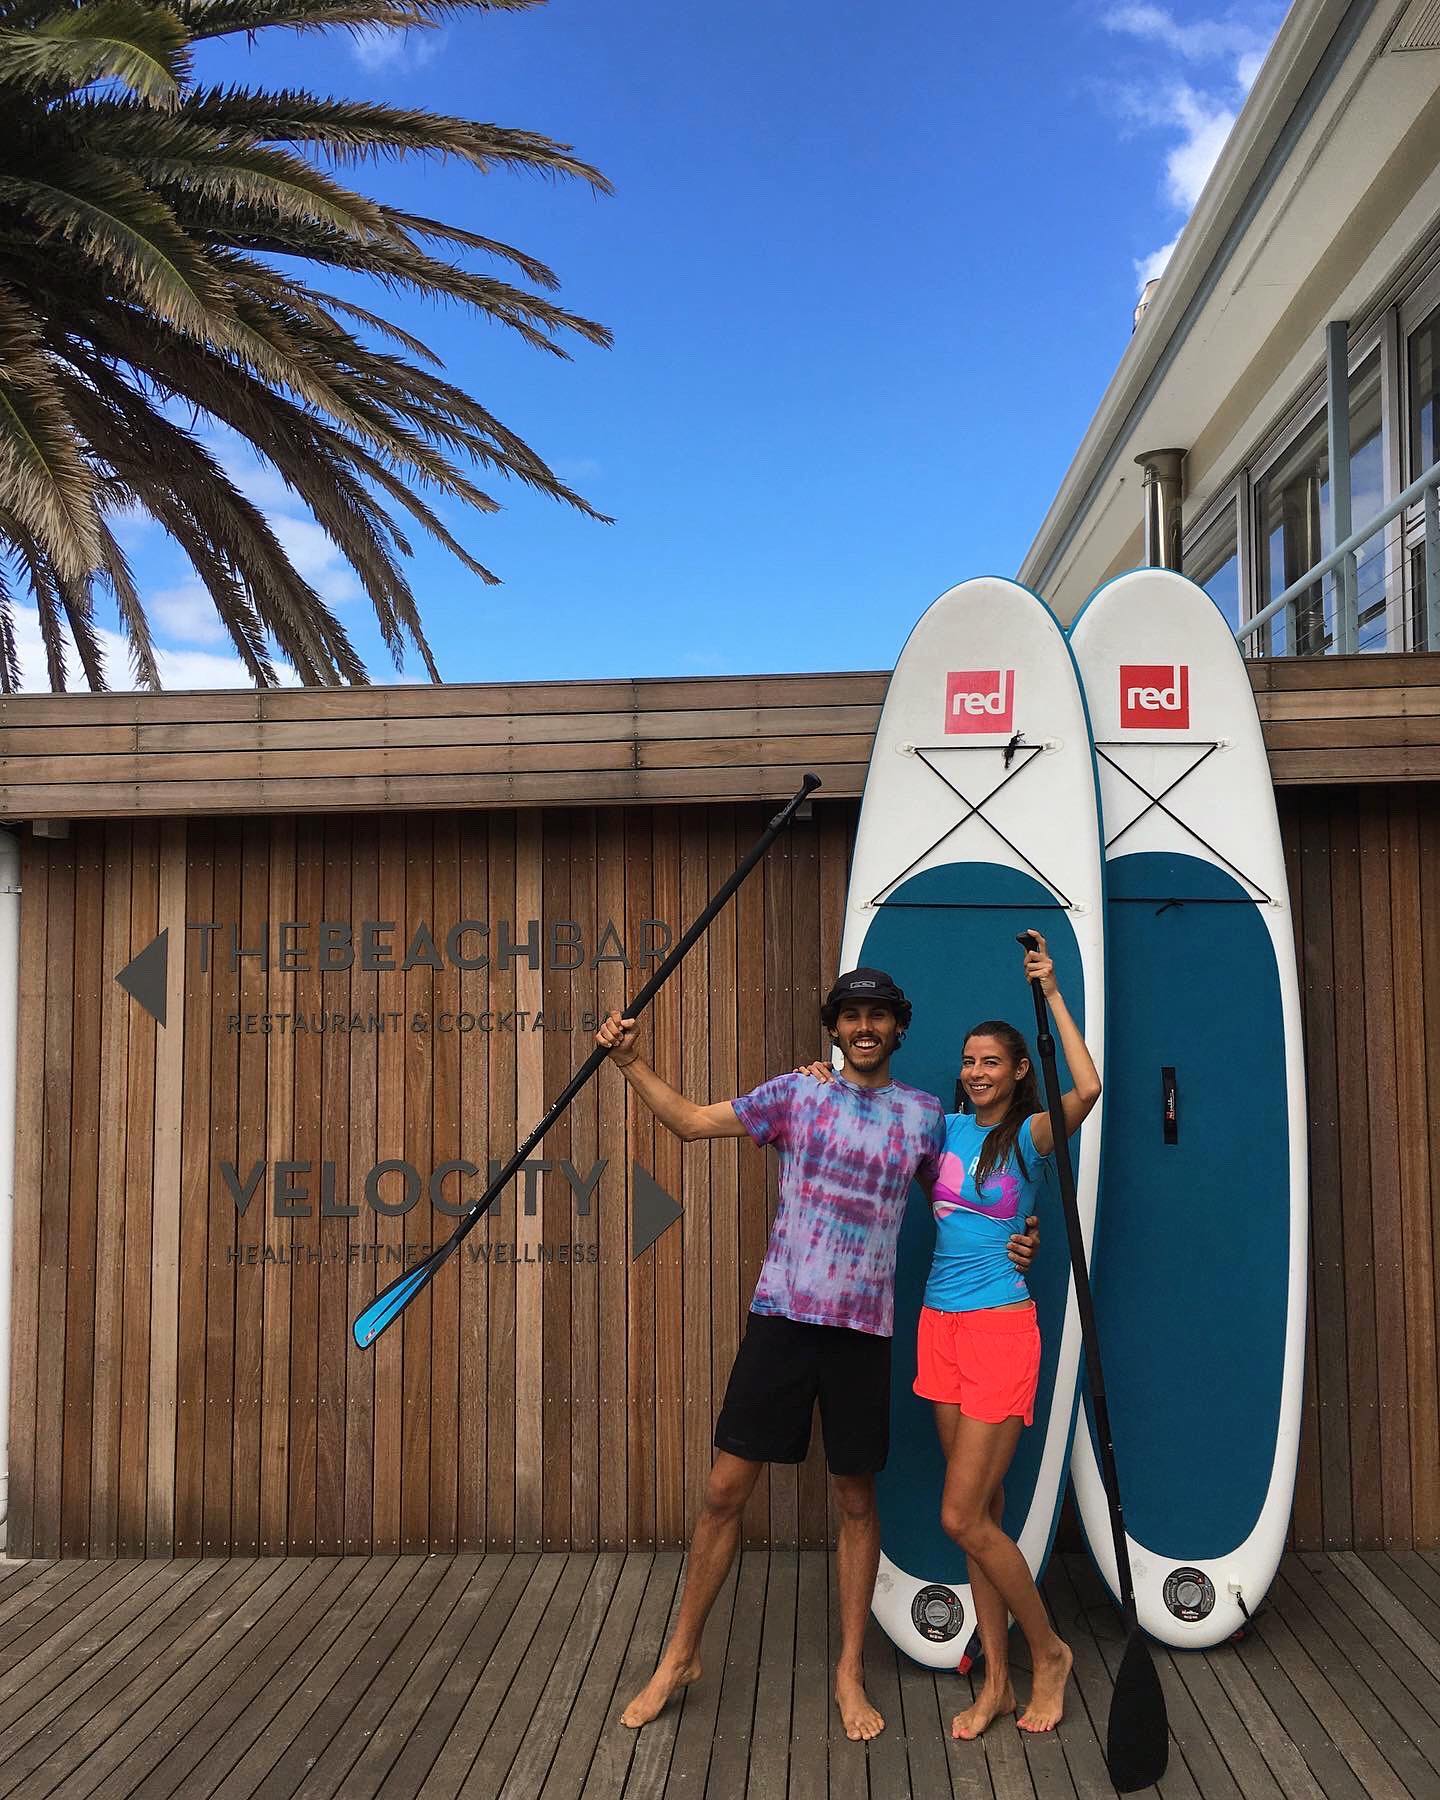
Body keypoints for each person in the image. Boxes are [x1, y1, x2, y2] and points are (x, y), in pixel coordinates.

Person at [596, 968, 1039, 1741]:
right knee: (724, 1491)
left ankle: (848, 1670)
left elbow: (973, 1190)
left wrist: (1018, 1241)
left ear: (898, 1029)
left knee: (856, 1501)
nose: (865, 1027)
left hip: (863, 1334)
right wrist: (630, 1061)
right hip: (783, 1319)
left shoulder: (925, 1118)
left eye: (878, 1016)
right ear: (833, 1029)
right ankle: (680, 1656)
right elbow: (691, 1123)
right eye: (851, 1016)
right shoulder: (797, 1095)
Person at [797, 930, 1097, 1740]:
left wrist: (1052, 991)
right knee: (986, 1508)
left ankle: (1049, 1653)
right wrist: (826, 1080)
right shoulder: (939, 1131)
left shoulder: (1030, 1137)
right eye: (968, 1060)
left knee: (961, 1517)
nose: (975, 1071)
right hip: (939, 1329)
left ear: (1019, 1071)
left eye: (991, 1061)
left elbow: (1090, 1087)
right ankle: (995, 1681)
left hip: (1000, 1328)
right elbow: (873, 1126)